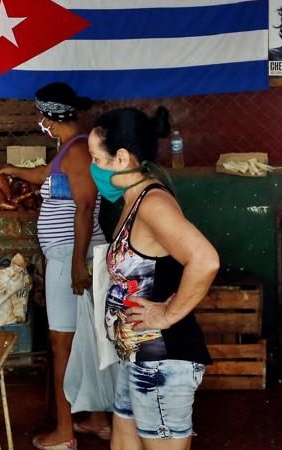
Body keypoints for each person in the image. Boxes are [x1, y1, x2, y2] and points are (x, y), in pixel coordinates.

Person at [89, 107, 219, 449]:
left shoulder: (152, 204)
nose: (93, 168)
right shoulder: (134, 201)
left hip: (162, 360)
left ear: (120, 158)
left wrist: (167, 313)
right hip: (137, 357)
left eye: (95, 159)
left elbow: (205, 260)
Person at [0, 83, 110, 449]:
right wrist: (14, 170)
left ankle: (64, 434)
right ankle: (98, 421)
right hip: (69, 254)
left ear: (51, 116)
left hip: (70, 256)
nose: (39, 121)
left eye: (41, 115)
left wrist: (77, 263)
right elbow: (48, 177)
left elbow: (85, 206)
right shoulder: (68, 149)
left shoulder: (77, 151)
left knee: (62, 344)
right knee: (90, 339)